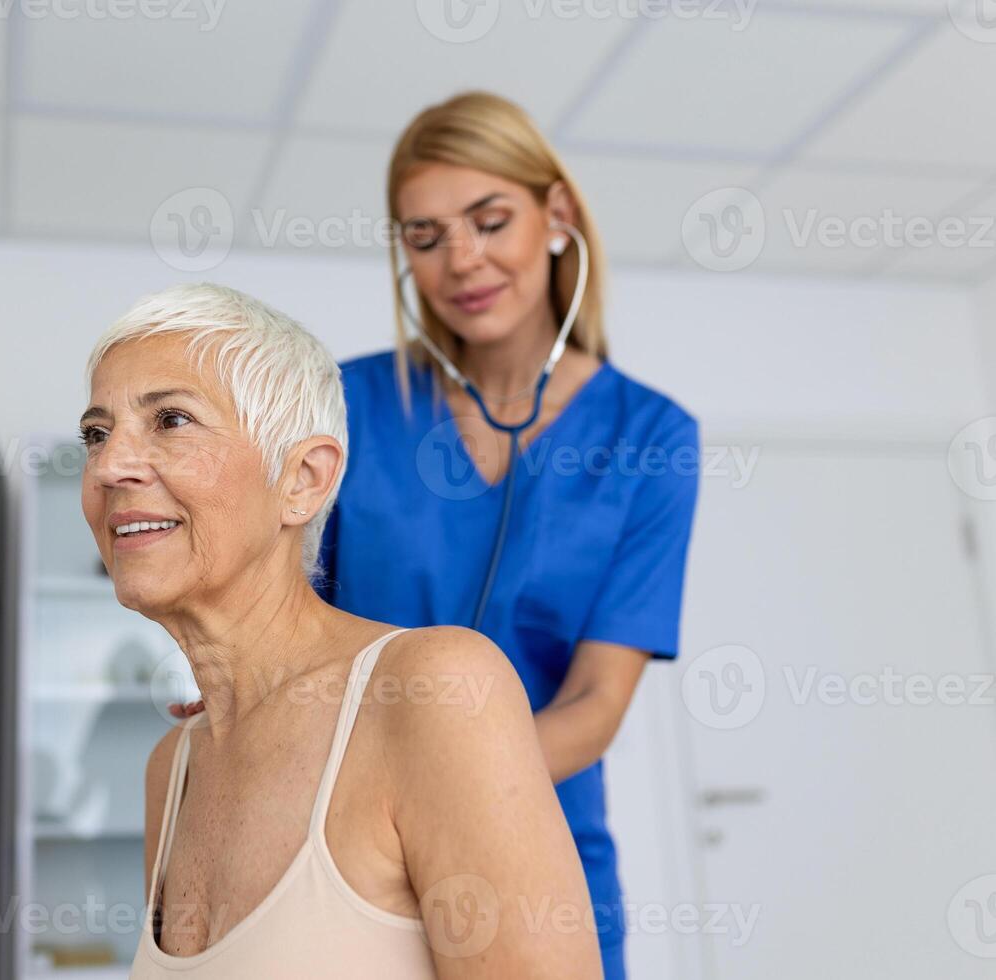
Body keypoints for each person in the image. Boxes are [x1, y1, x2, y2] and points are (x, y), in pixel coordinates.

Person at [172, 92, 702, 979]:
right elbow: (277, 610)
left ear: (557, 217)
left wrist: (428, 789)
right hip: (335, 846)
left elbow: (595, 703)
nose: (462, 260)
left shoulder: (652, 437)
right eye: (424, 237)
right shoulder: (346, 406)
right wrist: (245, 703)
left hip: (541, 849)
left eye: (489, 220)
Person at [80, 282, 603, 978]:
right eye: (96, 433)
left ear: (302, 478)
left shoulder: (435, 691)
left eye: (171, 420)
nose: (111, 465)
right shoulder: (171, 768)